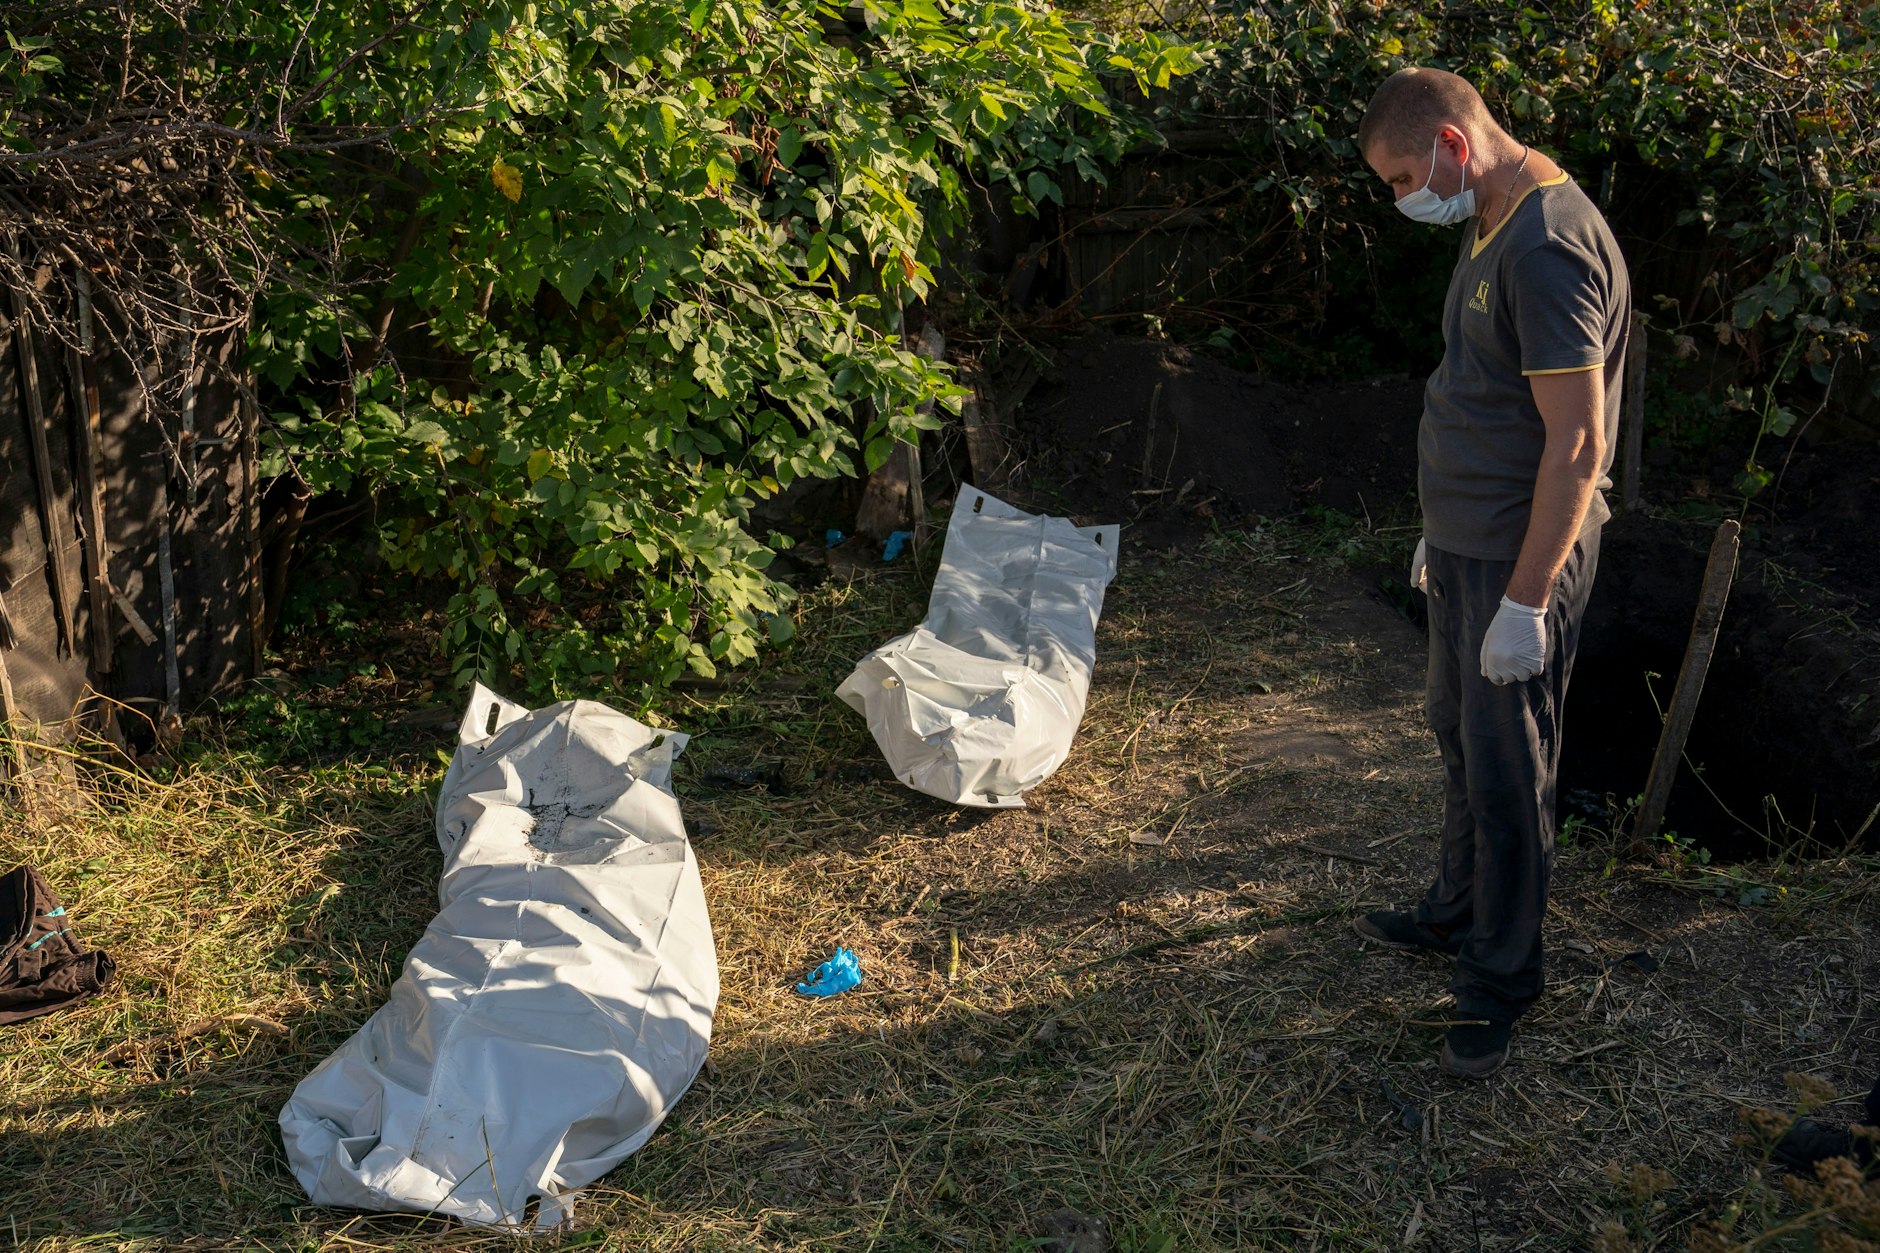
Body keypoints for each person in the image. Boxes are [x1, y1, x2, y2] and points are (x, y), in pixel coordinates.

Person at [1350, 68, 1631, 1078]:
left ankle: (1499, 980)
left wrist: (1522, 600)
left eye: (1397, 177)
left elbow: (1575, 444)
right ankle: (1456, 912)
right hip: (1467, 544)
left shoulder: (1548, 245)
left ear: (1449, 147)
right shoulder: (1488, 220)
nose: (1399, 198)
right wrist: (1439, 528)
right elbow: (1481, 394)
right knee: (1458, 734)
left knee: (1509, 767)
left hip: (1518, 557)